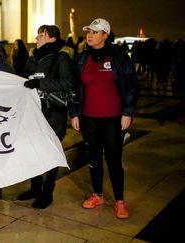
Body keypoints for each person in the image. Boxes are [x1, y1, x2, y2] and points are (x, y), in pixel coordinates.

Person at [69, 18, 139, 219]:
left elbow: (131, 85)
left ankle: (119, 201)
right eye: (88, 32)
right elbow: (75, 88)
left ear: (105, 35)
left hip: (113, 118)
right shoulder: (81, 58)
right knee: (93, 157)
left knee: (114, 159)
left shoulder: (118, 57)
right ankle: (97, 194)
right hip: (89, 118)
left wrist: (127, 112)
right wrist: (74, 113)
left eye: (95, 32)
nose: (89, 35)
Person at [19, 25, 74, 209]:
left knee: (50, 153)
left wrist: (40, 82)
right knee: (33, 150)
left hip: (53, 114)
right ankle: (34, 188)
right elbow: (24, 78)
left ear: (52, 38)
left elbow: (67, 83)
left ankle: (47, 192)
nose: (36, 37)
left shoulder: (62, 57)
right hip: (34, 112)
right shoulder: (34, 57)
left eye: (41, 34)